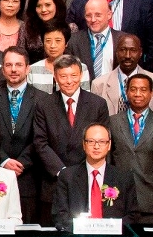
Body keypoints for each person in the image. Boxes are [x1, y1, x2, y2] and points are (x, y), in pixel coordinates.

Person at [34, 55, 111, 226]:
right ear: (55, 77)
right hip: (53, 181)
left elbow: (103, 142)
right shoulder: (44, 104)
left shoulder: (97, 104)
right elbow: (40, 143)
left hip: (88, 180)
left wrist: (82, 172)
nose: (69, 81)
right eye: (63, 76)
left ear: (81, 75)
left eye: (74, 75)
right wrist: (62, 172)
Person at [0, 47, 43, 222]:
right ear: (3, 69)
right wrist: (4, 160)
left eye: (18, 65)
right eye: (9, 65)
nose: (13, 69)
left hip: (29, 176)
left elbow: (41, 137)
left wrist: (22, 162)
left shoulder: (42, 99)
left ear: (27, 68)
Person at [108, 74, 153, 224]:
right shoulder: (112, 122)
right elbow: (108, 161)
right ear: (127, 92)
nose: (138, 94)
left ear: (152, 93)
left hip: (150, 202)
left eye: (143, 90)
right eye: (133, 89)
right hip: (118, 199)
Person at [52, 124, 134, 230]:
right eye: (91, 141)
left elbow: (132, 215)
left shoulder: (124, 177)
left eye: (102, 142)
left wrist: (109, 228)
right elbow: (60, 214)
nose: (96, 146)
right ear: (84, 144)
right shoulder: (67, 176)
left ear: (109, 145)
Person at [90, 34, 153, 116]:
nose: (127, 55)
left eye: (133, 50)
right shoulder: (99, 84)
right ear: (116, 52)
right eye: (123, 50)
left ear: (140, 53)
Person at [68, 0, 123, 81]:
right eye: (88, 15)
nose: (93, 20)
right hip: (85, 92)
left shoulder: (122, 39)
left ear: (109, 15)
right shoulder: (74, 41)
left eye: (98, 15)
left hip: (114, 92)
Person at [27, 23, 91, 95]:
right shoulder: (33, 69)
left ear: (66, 43)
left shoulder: (81, 68)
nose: (53, 45)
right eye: (48, 41)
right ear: (43, 43)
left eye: (58, 41)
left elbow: (85, 98)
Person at [21, 0, 68, 64]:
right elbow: (20, 56)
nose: (43, 10)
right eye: (39, 6)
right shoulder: (26, 28)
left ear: (57, 4)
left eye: (48, 5)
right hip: (33, 73)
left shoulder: (70, 28)